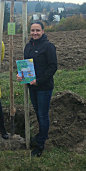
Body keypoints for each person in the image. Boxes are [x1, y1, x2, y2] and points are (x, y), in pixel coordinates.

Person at [17, 21, 57, 157]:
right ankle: (41, 135)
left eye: (38, 30)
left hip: (43, 87)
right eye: (33, 30)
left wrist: (38, 81)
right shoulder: (28, 46)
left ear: (43, 31)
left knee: (42, 115)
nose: (35, 33)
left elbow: (53, 67)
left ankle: (40, 145)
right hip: (31, 87)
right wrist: (21, 75)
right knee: (38, 113)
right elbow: (26, 65)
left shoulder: (48, 47)